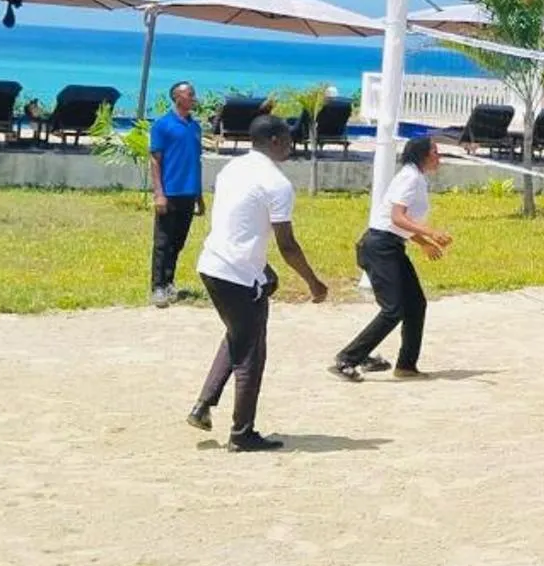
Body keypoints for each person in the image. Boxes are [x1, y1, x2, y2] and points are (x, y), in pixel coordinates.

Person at [187, 115, 329, 450]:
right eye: (289, 140)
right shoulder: (276, 183)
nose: (292, 146)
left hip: (213, 263)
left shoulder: (232, 169)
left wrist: (266, 272)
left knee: (240, 333)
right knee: (251, 352)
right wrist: (314, 282)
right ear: (276, 141)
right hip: (237, 274)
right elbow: (288, 245)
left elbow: (241, 223)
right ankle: (242, 433)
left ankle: (204, 404)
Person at [331, 137, 454, 381]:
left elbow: (397, 225)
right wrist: (430, 232)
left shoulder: (415, 177)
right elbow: (397, 218)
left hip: (391, 245)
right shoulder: (410, 177)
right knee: (394, 309)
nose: (439, 157)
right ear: (423, 155)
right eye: (435, 152)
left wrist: (423, 243)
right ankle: (348, 358)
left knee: (415, 304)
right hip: (379, 248)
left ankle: (406, 365)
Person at [149, 81, 205, 308]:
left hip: (188, 193)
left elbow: (196, 162)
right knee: (163, 241)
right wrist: (159, 194)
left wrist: (199, 196)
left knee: (178, 241)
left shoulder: (195, 127)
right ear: (177, 97)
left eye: (193, 93)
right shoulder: (163, 125)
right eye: (189, 94)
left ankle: (170, 281)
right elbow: (155, 160)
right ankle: (158, 286)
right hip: (170, 192)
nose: (193, 97)